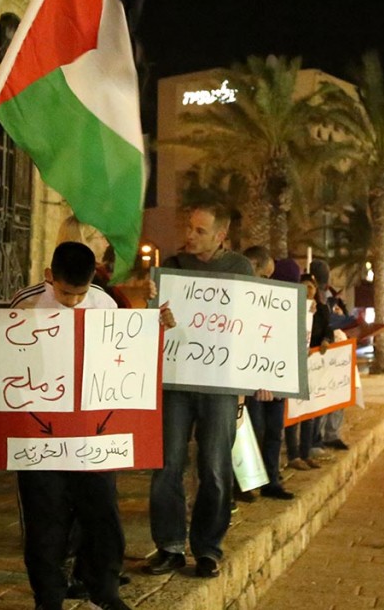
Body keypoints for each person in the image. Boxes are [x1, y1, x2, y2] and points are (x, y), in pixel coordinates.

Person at [0, 242, 170, 610]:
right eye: (66, 293)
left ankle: (104, 590)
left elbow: (130, 349)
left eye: (80, 294)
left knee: (103, 515)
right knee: (45, 521)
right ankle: (49, 597)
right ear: (49, 277)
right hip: (40, 438)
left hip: (92, 437)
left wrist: (159, 326)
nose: (73, 302)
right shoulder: (24, 303)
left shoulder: (104, 303)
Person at [146, 203, 253, 579]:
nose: (190, 236)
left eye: (200, 231)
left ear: (221, 236)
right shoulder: (172, 268)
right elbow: (152, 320)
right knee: (167, 464)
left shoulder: (240, 269)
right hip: (176, 381)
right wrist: (157, 310)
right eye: (189, 228)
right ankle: (169, 546)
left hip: (220, 384)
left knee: (215, 466)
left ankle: (208, 548)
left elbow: (251, 323)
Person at [240, 247, 293, 501]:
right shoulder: (240, 300)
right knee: (254, 431)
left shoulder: (275, 301)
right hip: (250, 379)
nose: (269, 281)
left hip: (275, 377)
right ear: (252, 265)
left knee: (274, 431)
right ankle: (246, 483)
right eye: (266, 274)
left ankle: (271, 480)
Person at [285, 268, 333, 471]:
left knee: (309, 412)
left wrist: (325, 341)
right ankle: (293, 454)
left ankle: (306, 452)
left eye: (312, 286)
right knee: (294, 413)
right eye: (305, 286)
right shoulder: (291, 308)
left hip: (313, 366)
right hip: (294, 363)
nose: (309, 290)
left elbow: (328, 331)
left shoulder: (322, 310)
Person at [308, 259, 349, 451]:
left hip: (336, 354)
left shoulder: (332, 297)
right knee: (320, 396)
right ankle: (318, 437)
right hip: (316, 355)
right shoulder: (310, 296)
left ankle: (331, 435)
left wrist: (340, 316)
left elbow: (342, 322)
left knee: (337, 393)